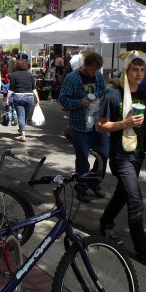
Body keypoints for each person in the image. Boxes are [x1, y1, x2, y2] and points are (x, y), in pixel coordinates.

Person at [97, 50, 146, 273]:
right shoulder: (113, 95)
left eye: (142, 70)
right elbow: (101, 125)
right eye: (134, 69)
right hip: (121, 156)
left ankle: (105, 223)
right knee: (135, 200)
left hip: (137, 154)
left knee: (123, 192)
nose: (139, 73)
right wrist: (125, 122)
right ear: (126, 71)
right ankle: (144, 252)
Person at [59, 52, 109, 202]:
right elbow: (62, 98)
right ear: (85, 65)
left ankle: (95, 182)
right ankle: (81, 187)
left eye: (97, 70)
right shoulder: (72, 78)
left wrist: (99, 96)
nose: (94, 73)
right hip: (80, 125)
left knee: (104, 154)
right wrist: (79, 102)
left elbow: (104, 91)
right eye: (92, 70)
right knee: (82, 159)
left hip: (97, 123)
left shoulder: (99, 77)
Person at [6, 59, 39, 142]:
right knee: (25, 115)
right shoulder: (30, 75)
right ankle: (21, 129)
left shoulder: (13, 75)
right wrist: (37, 98)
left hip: (19, 96)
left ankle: (23, 134)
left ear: (16, 66)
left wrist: (7, 99)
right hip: (29, 97)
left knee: (21, 115)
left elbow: (11, 89)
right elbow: (33, 88)